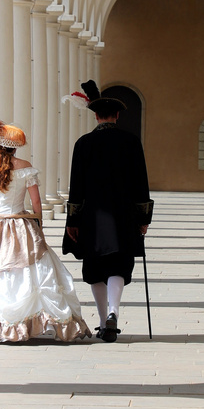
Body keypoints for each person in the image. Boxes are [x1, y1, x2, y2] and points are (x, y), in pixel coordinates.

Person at [0, 113, 91, 344]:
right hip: (19, 223)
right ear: (15, 148)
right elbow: (35, 203)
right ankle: (24, 321)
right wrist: (38, 224)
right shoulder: (26, 168)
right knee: (24, 269)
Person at [62, 81, 153, 341]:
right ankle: (113, 312)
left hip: (92, 216)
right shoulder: (131, 142)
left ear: (95, 115)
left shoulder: (84, 143)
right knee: (119, 265)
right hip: (123, 215)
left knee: (94, 268)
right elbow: (141, 182)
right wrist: (143, 218)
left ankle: (103, 321)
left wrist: (72, 220)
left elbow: (76, 186)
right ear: (117, 115)